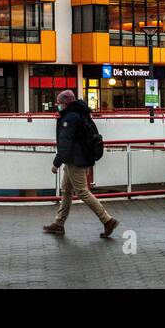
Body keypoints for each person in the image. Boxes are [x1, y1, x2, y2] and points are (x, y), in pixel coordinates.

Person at [43, 89, 119, 238]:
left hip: (75, 160)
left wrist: (56, 163)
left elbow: (65, 143)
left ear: (65, 104)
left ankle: (107, 220)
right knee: (65, 190)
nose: (57, 105)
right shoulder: (80, 113)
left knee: (83, 191)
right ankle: (59, 223)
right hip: (80, 157)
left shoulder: (69, 118)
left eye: (59, 103)